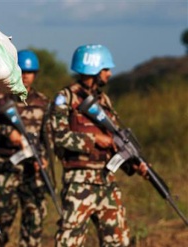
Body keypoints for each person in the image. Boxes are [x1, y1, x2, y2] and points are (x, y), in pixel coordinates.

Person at [51, 44, 148, 247]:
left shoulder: (104, 101)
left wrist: (133, 165)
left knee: (119, 241)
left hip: (106, 181)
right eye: (106, 69)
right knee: (69, 242)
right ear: (93, 69)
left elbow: (115, 143)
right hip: (79, 183)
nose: (110, 74)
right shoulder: (66, 98)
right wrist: (93, 140)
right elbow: (59, 137)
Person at [0, 50, 51, 246]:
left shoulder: (43, 102)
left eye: (30, 72)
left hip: (33, 171)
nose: (26, 76)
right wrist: (7, 132)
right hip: (7, 168)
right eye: (22, 71)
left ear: (35, 74)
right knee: (1, 219)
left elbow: (48, 137)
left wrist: (44, 158)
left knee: (34, 218)